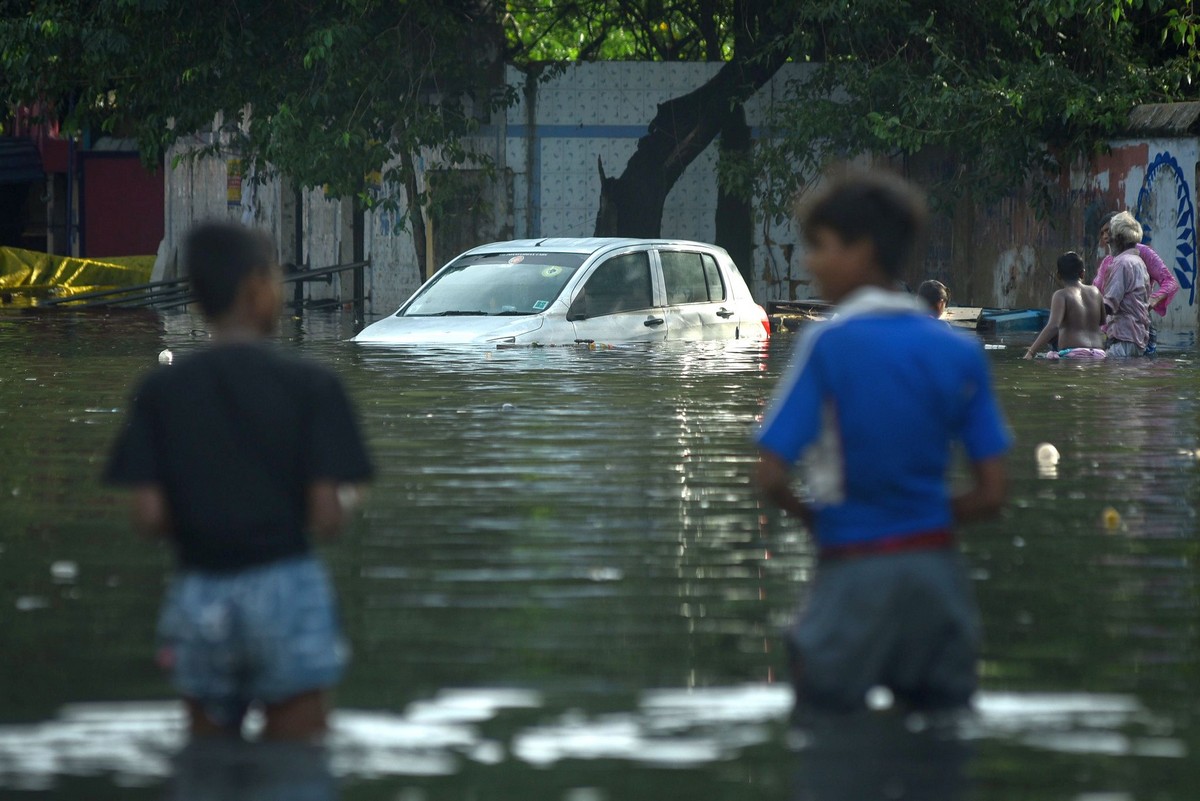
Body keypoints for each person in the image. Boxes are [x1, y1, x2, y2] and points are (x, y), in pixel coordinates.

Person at [754, 169, 1011, 714]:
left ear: (861, 251)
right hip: (938, 584)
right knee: (939, 754)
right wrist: (922, 522)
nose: (809, 262)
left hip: (851, 574)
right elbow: (992, 494)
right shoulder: (959, 352)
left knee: (827, 747)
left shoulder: (828, 343)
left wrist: (821, 522)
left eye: (820, 247)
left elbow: (771, 475)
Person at [104, 221, 373, 740]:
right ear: (255, 288)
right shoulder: (313, 386)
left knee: (203, 762)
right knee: (299, 760)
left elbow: (149, 517)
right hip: (286, 590)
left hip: (199, 593)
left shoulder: (161, 391)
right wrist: (346, 495)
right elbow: (327, 519)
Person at [1093, 210, 1177, 353]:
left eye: (1108, 231)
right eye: (1102, 233)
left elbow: (1170, 282)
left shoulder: (1139, 254)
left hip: (1135, 325)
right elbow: (1096, 292)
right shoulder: (1109, 261)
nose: (1106, 236)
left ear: (1119, 231)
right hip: (1113, 329)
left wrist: (1151, 301)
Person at [1023, 252, 1106, 360]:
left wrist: (1031, 352)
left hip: (1072, 354)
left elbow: (1053, 326)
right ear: (1082, 274)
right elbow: (1102, 321)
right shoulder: (1096, 292)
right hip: (1099, 354)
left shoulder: (1061, 295)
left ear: (1058, 275)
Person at [1098, 211, 1151, 357]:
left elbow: (1108, 305)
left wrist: (1078, 320)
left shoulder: (1122, 263)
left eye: (1110, 235)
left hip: (1124, 340)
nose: (1107, 240)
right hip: (1136, 339)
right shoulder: (1138, 262)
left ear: (1119, 238)